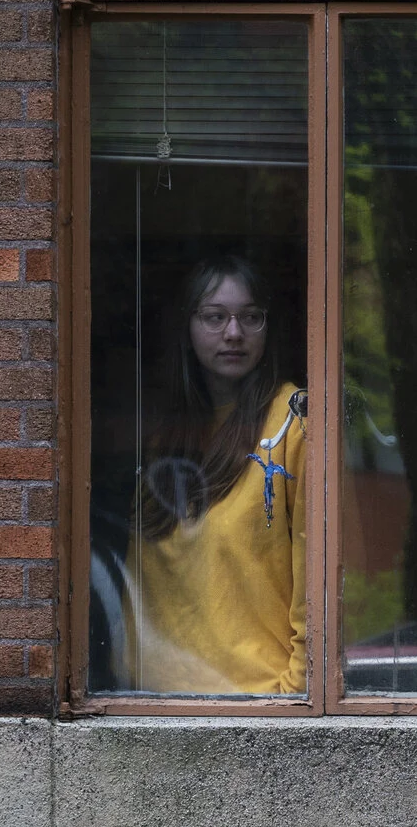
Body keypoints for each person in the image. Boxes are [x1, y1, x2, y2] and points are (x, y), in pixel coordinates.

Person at [121, 253, 308, 695]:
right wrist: (124, 679)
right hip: (149, 706)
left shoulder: (292, 419)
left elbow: (317, 571)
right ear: (187, 327)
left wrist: (296, 691)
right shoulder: (168, 432)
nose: (233, 333)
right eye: (214, 316)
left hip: (257, 702)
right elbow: (136, 584)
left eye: (250, 317)